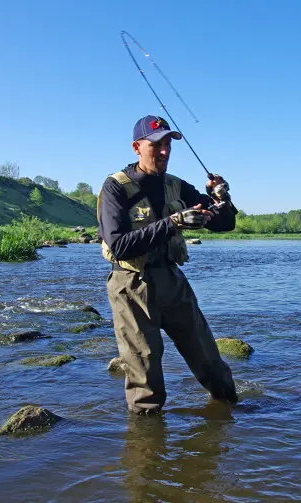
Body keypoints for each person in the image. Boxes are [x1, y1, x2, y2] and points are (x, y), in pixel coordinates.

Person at [97, 114, 238, 414]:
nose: (164, 151)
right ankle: (148, 452)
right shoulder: (115, 188)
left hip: (172, 282)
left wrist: (223, 197)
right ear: (137, 147)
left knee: (211, 363)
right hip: (131, 286)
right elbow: (119, 245)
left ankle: (229, 427)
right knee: (146, 383)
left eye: (168, 145)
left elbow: (224, 224)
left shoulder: (177, 186)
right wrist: (174, 222)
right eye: (156, 144)